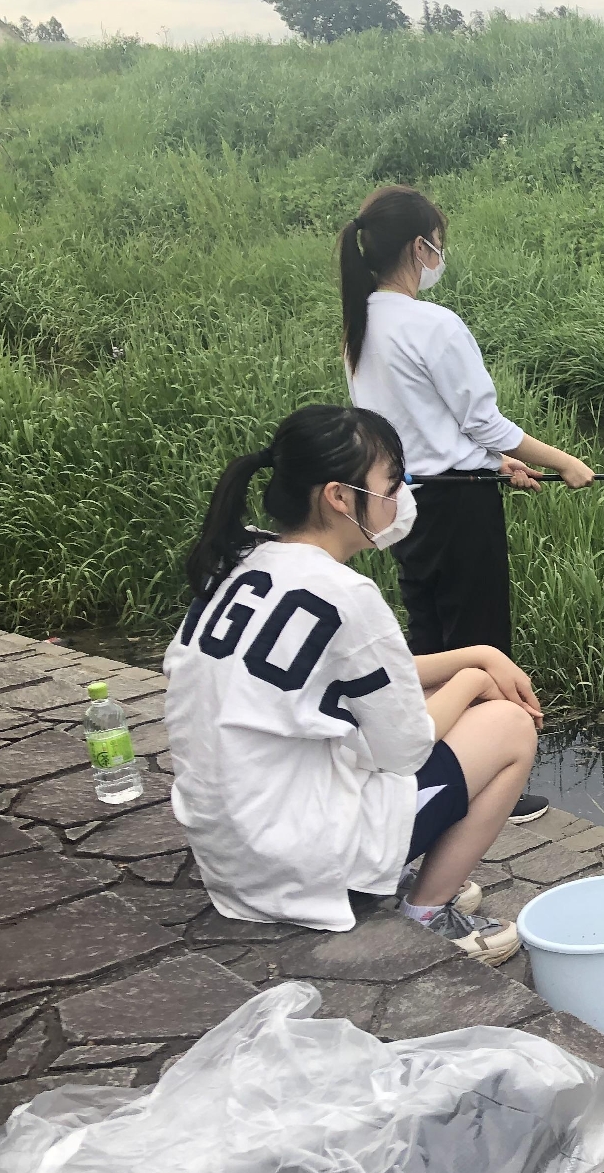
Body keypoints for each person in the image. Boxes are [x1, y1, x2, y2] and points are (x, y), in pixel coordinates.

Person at [164, 404, 545, 964]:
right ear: (340, 498)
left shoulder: (242, 559)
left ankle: (388, 870)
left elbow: (359, 676)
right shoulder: (345, 594)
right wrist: (470, 680)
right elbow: (406, 748)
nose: (401, 496)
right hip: (302, 863)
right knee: (509, 727)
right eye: (392, 483)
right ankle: (427, 913)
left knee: (441, 708)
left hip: (234, 853)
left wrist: (479, 655)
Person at [339, 183, 595, 823]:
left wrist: (495, 466)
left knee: (431, 637)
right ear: (420, 247)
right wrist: (561, 461)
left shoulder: (360, 324)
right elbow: (484, 422)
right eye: (438, 242)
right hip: (458, 508)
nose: (440, 254)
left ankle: (431, 770)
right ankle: (483, 778)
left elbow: (417, 427)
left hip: (402, 505)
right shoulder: (432, 322)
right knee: (481, 639)